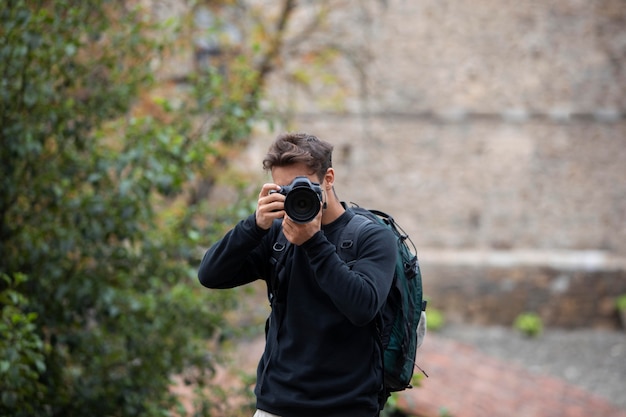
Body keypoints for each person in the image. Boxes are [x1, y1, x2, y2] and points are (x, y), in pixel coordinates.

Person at [198, 132, 397, 417]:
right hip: (276, 405)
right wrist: (254, 226)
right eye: (284, 190)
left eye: (302, 186)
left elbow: (362, 307)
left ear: (329, 178)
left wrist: (314, 242)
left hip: (347, 407)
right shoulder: (277, 236)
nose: (296, 197)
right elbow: (210, 275)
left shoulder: (371, 237)